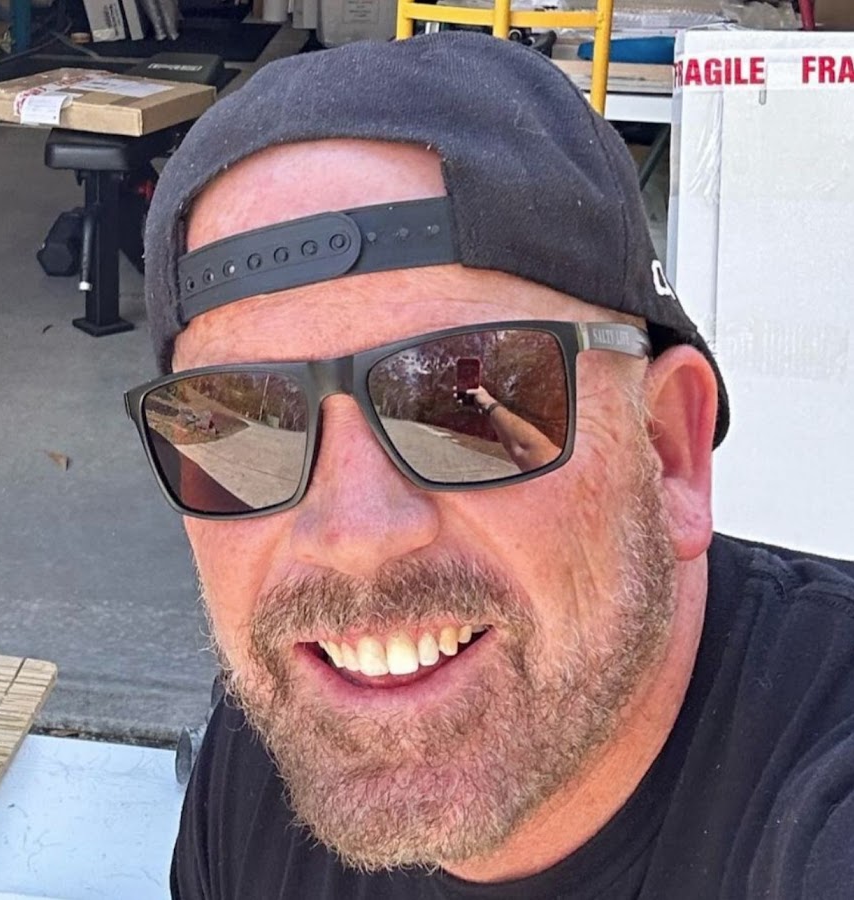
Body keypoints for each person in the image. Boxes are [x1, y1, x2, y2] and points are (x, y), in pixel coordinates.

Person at [126, 31, 854, 899]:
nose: (354, 538)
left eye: (459, 404)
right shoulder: (271, 751)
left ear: (668, 450)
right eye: (244, 425)